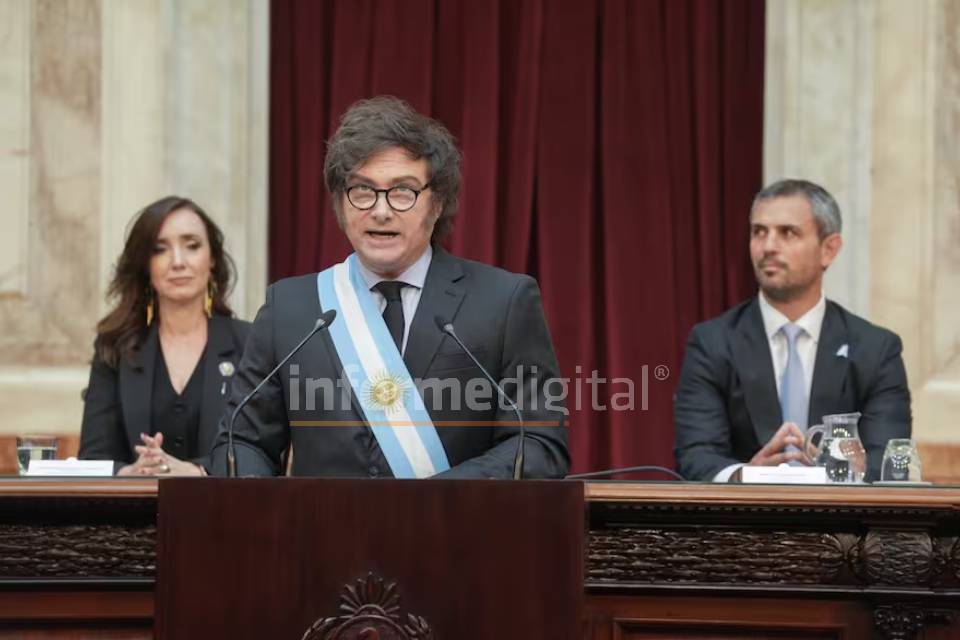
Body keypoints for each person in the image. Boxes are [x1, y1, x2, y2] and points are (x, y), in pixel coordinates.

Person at [211, 96, 569, 478]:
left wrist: (437, 500)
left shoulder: (503, 302)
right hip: (321, 519)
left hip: (454, 517)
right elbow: (240, 442)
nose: (381, 211)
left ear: (437, 203)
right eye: (362, 190)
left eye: (402, 191)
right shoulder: (290, 309)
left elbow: (538, 444)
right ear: (340, 203)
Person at [674, 179, 911, 482]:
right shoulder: (712, 343)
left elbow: (888, 463)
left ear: (829, 249)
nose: (768, 246)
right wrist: (745, 477)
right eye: (759, 232)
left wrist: (830, 474)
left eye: (788, 233)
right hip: (743, 512)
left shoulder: (876, 350)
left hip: (843, 512)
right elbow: (696, 456)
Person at [79, 196, 251, 476]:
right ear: (145, 266)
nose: (178, 262)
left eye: (192, 246)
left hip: (223, 503)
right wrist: (132, 472)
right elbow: (93, 458)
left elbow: (264, 453)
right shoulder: (115, 346)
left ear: (212, 259)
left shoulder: (249, 343)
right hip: (136, 504)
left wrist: (197, 472)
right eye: (160, 249)